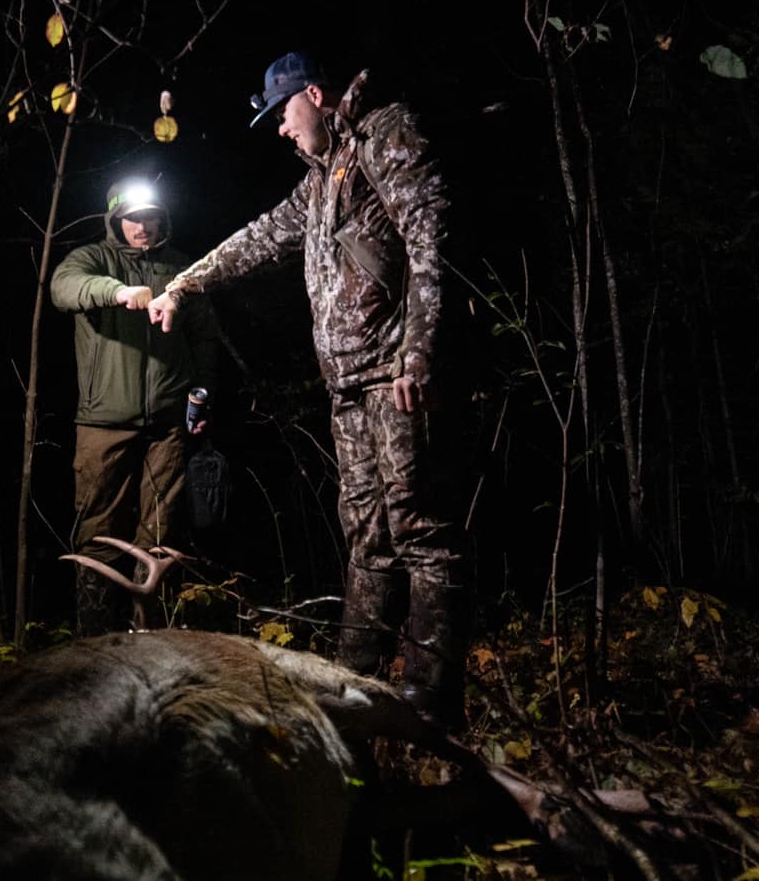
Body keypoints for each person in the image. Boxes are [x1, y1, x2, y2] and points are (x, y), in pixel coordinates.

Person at [148, 51, 473, 728]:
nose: (279, 130)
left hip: (396, 378)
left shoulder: (384, 135)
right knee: (366, 535)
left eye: (283, 114)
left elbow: (430, 244)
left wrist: (420, 357)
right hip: (349, 385)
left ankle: (429, 705)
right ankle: (354, 688)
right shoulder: (319, 180)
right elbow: (259, 238)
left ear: (316, 96)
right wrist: (183, 283)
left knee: (421, 532)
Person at [50, 177, 222, 634]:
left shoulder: (182, 270)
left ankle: (152, 637)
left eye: (151, 217)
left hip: (168, 426)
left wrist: (201, 394)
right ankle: (93, 642)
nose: (142, 227)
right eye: (132, 218)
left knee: (161, 538)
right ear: (115, 220)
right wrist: (117, 291)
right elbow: (63, 288)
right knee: (99, 533)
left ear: (162, 219)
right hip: (103, 422)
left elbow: (204, 338)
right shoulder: (91, 259)